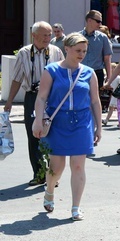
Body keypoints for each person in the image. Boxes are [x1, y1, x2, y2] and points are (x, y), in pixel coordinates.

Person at [32, 33, 102, 220]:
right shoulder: (52, 70)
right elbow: (41, 98)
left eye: (84, 51)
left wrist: (99, 127)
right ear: (67, 49)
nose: (81, 54)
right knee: (57, 166)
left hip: (82, 122)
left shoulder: (89, 72)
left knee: (78, 166)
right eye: (78, 50)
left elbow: (95, 101)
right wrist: (38, 120)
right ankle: (49, 191)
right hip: (58, 123)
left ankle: (75, 207)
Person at [3, 22, 64, 185]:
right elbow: (17, 78)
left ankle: (53, 175)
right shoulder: (24, 53)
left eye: (50, 34)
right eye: (44, 35)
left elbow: (64, 75)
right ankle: (39, 174)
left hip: (52, 98)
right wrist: (9, 101)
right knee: (33, 136)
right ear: (34, 36)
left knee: (52, 136)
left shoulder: (56, 52)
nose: (48, 38)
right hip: (32, 97)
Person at [80, 10, 113, 90]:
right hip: (80, 72)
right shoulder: (78, 37)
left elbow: (107, 59)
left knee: (95, 100)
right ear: (89, 20)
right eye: (98, 21)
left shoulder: (103, 38)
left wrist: (109, 79)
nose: (100, 24)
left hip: (97, 73)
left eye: (101, 22)